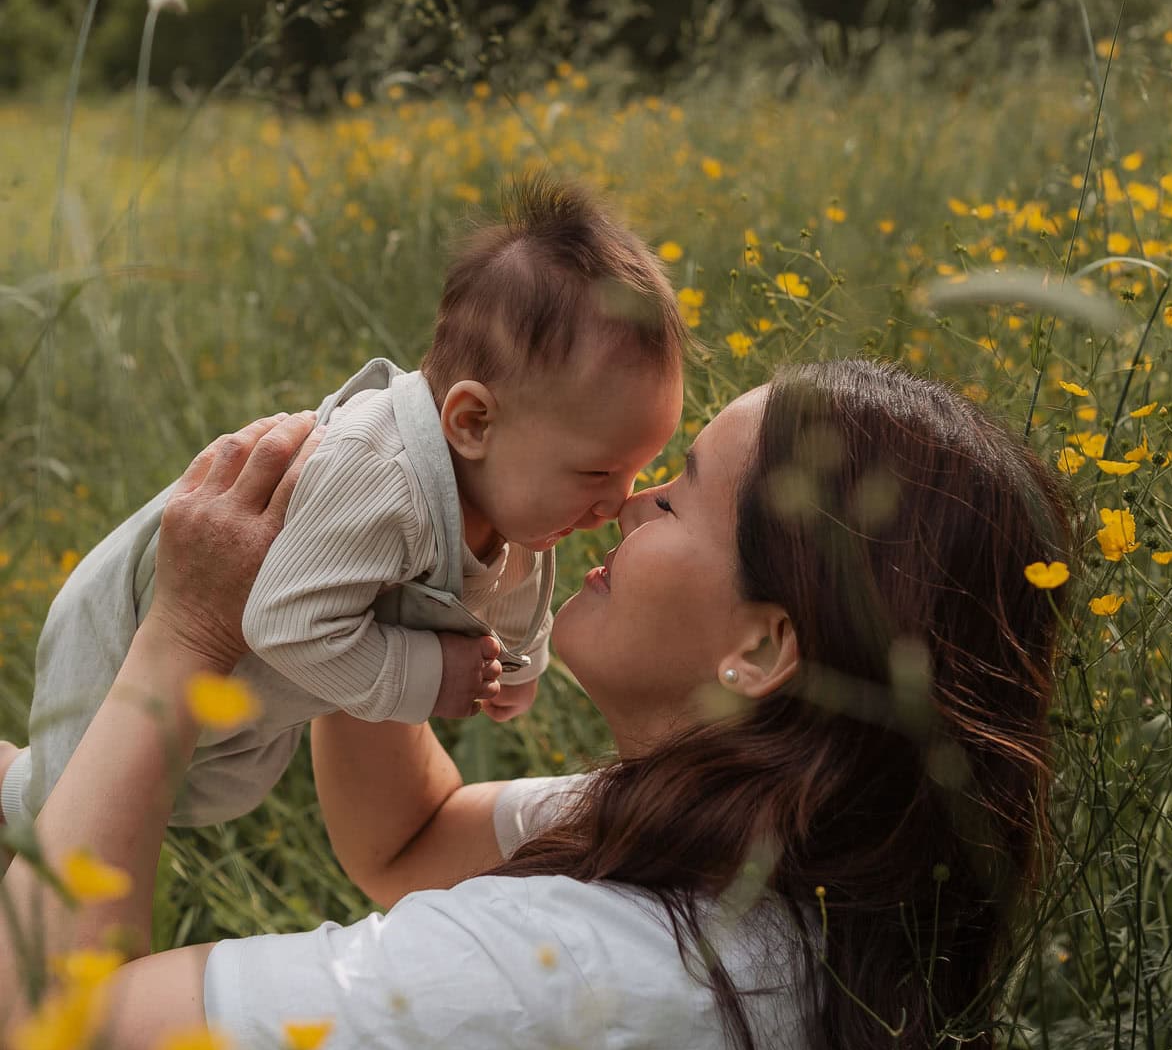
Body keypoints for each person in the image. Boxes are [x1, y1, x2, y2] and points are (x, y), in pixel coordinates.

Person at [0, 358, 1071, 1050]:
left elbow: (41, 1034)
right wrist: (400, 561)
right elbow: (410, 837)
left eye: (679, 495)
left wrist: (185, 631)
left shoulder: (562, 989)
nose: (629, 499)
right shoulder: (797, 864)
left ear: (760, 646)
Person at [0, 174, 686, 830]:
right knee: (65, 811)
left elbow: (513, 561)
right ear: (472, 422)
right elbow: (287, 621)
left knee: (215, 794)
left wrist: (513, 664)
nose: (617, 501)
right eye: (597, 471)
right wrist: (428, 677)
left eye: (634, 470)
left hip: (250, 687)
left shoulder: (505, 485)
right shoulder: (378, 472)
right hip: (133, 630)